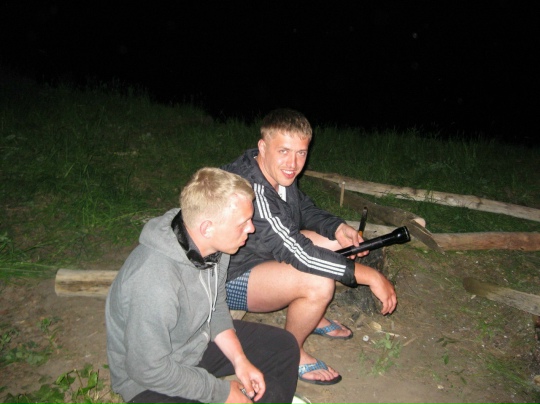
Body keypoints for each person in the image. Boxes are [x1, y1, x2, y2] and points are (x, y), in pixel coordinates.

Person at [222, 109, 397, 386]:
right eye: (284, 151)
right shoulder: (251, 189)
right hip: (228, 279)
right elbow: (299, 253)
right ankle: (290, 353)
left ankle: (311, 316)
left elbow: (302, 208)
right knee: (319, 282)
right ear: (263, 147)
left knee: (337, 243)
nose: (293, 163)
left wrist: (337, 228)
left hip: (262, 252)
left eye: (301, 153)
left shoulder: (275, 171)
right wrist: (371, 276)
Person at [105, 167, 300, 404]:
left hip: (195, 343)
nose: (251, 228)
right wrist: (220, 392)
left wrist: (240, 360)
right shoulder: (153, 280)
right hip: (149, 381)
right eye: (243, 223)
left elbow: (215, 307)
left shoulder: (216, 247)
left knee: (283, 346)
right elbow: (146, 369)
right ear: (207, 228)